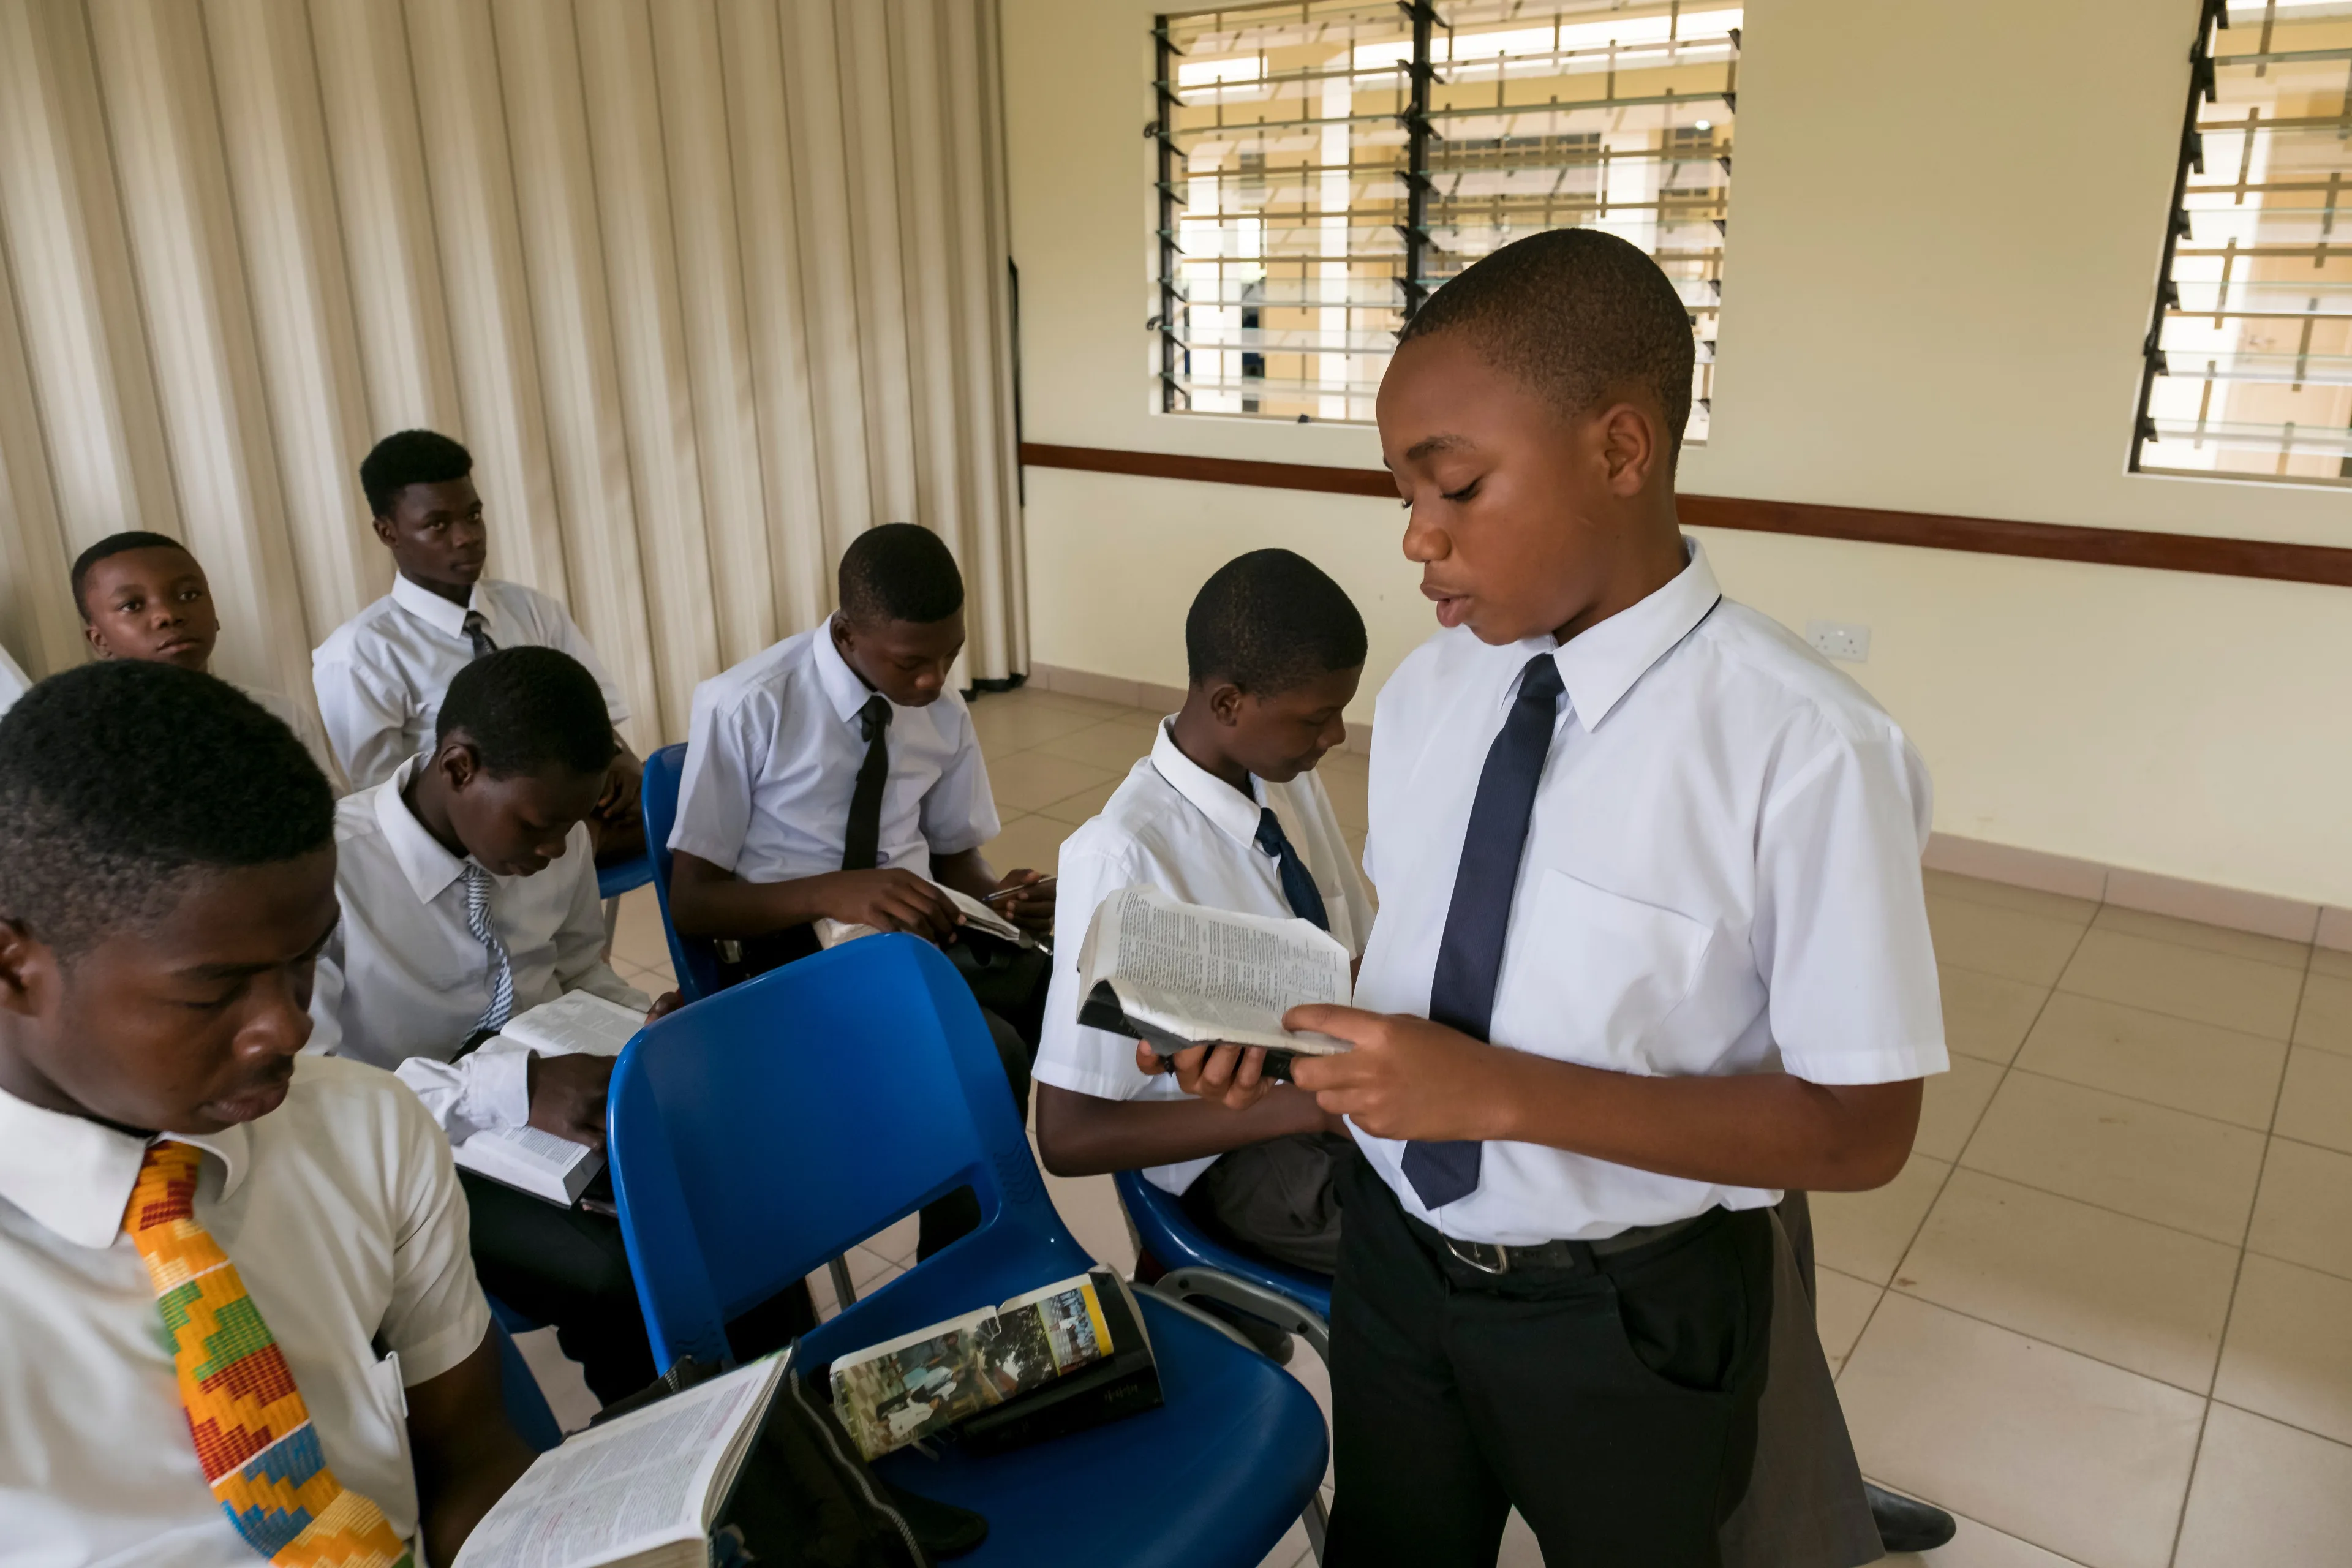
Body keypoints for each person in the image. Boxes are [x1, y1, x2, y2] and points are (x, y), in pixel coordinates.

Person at [1174, 228, 1949, 1566]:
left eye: (1458, 486)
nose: (1419, 538)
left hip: (1628, 1315)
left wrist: (1493, 1092)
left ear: (1620, 449)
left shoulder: (1805, 748)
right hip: (1395, 1265)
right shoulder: (1432, 691)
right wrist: (1295, 1033)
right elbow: (1425, 964)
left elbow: (1860, 1126)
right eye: (1401, 493)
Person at [0, 660, 533, 1566]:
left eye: (304, 965)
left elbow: (471, 1461)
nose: (288, 1025)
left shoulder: (367, 1131)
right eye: (213, 992)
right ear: (15, 968)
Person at [306, 645, 694, 1406]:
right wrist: (511, 1087)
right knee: (623, 1273)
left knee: (728, 1180)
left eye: (571, 825)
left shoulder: (560, 837)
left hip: (553, 1092)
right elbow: (315, 1094)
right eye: (539, 825)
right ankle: (673, 1460)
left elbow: (583, 970)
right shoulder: (328, 873)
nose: (555, 849)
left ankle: (795, 1418)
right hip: (417, 1140)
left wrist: (642, 1023)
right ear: (458, 767)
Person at [665, 523, 1052, 1256]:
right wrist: (836, 892)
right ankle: (960, 1256)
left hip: (911, 929)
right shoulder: (749, 704)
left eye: (950, 656)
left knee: (1063, 993)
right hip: (787, 948)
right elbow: (694, 900)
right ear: (847, 633)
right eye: (912, 663)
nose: (934, 681)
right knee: (984, 1053)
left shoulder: (940, 709)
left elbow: (956, 859)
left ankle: (966, 1196)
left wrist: (1001, 895)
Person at [1032, 549, 1370, 1278]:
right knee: (1442, 1247)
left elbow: (1352, 955)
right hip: (1237, 1150)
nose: (1337, 736)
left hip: (1328, 1092)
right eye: (1320, 717)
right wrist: (1311, 1107)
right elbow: (1067, 1136)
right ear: (1228, 704)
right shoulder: (1121, 857)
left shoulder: (1284, 778)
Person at [312, 429, 644, 865]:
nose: (467, 537)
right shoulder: (359, 654)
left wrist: (624, 766)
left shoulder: (531, 609)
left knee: (673, 805)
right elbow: (383, 800)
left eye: (473, 516)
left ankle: (585, 849)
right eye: (438, 524)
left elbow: (597, 718)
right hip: (465, 849)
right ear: (387, 532)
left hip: (567, 815)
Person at [72, 529, 343, 786]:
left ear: (215, 615)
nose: (167, 614)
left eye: (188, 595)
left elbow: (330, 817)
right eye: (132, 606)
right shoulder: (88, 742)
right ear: (100, 640)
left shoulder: (277, 715)